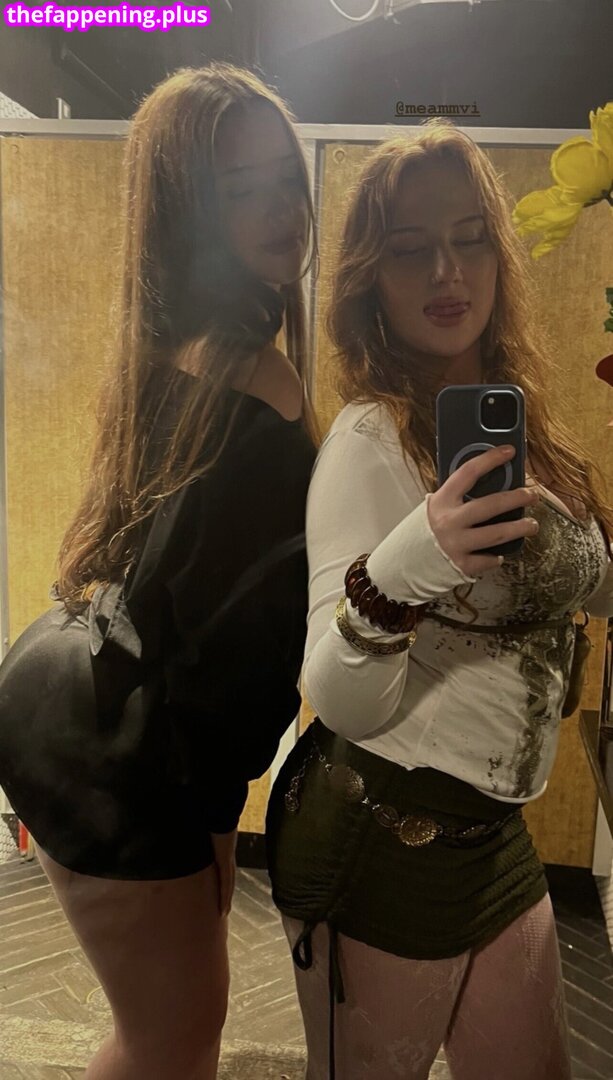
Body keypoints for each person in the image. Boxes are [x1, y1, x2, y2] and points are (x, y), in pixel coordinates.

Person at [266, 122, 613, 1080]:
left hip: (492, 831)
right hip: (382, 831)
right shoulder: (370, 442)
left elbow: (592, 584)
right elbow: (339, 696)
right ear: (369, 281)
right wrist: (410, 562)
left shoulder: (517, 424)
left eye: (468, 240)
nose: (446, 271)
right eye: (409, 250)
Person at [0, 63, 317, 1080]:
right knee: (173, 1035)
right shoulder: (258, 379)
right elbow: (238, 652)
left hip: (72, 704)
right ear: (188, 213)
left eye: (285, 178)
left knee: (168, 1027)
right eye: (240, 189)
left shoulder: (170, 352)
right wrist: (219, 823)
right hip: (123, 744)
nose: (280, 208)